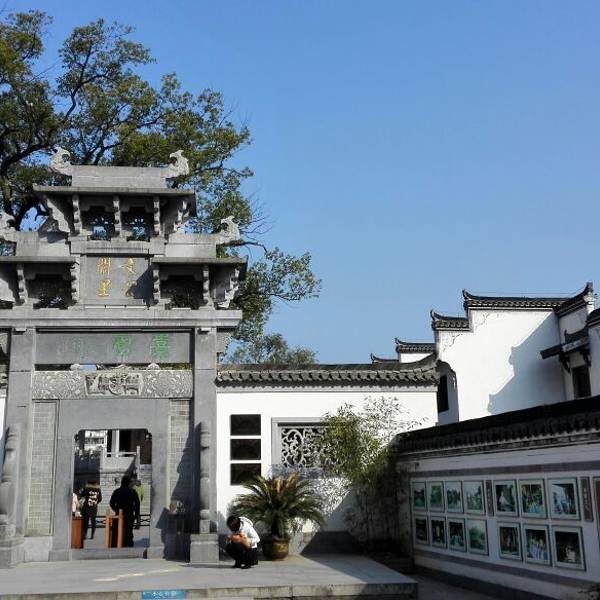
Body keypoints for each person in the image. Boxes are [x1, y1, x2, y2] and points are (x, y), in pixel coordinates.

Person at [109, 475, 140, 547]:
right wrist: (136, 513)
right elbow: (137, 503)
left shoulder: (117, 491)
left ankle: (120, 543)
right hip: (129, 513)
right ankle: (129, 544)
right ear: (129, 483)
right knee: (129, 530)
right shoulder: (132, 491)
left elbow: (111, 503)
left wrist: (116, 509)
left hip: (119, 514)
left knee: (118, 530)